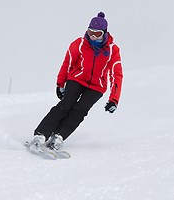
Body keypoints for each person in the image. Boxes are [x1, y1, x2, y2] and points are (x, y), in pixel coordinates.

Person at [28, 12, 123, 151]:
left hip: (97, 86)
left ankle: (58, 136)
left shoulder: (112, 50)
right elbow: (67, 63)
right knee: (66, 104)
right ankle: (41, 134)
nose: (92, 36)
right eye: (90, 32)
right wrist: (60, 83)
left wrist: (114, 99)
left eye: (97, 34)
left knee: (80, 110)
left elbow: (116, 74)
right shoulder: (79, 44)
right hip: (77, 78)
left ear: (104, 33)